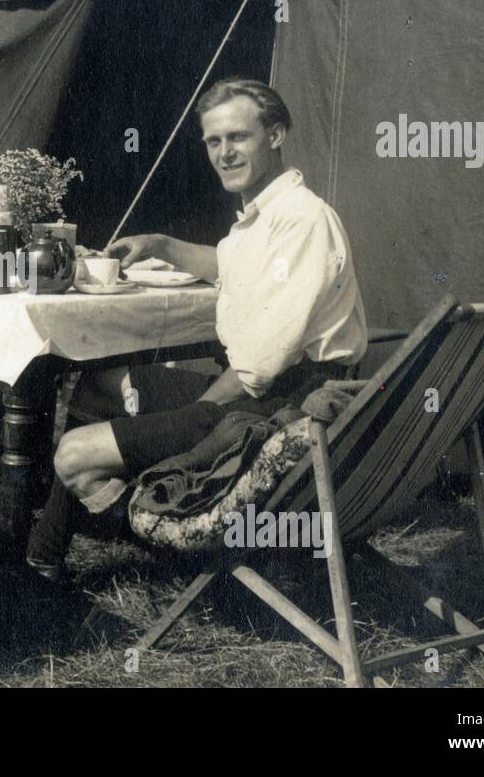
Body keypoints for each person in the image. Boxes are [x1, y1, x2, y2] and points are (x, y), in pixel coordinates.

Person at [25, 78, 369, 577]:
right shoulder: (267, 214)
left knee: (73, 455)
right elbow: (229, 263)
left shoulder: (302, 221)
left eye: (238, 137)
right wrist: (161, 244)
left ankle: (187, 555)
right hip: (261, 394)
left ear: (275, 135)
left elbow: (256, 370)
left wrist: (189, 421)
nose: (224, 153)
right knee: (103, 382)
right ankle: (45, 554)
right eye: (213, 141)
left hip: (277, 412)